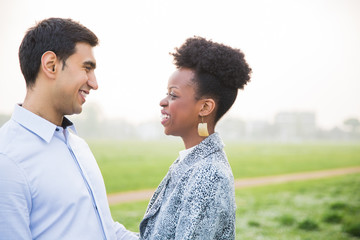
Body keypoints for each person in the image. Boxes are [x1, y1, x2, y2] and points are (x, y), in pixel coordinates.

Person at [0, 18, 138, 240]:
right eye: (87, 68)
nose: (94, 83)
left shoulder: (77, 145)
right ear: (51, 65)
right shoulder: (7, 161)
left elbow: (103, 228)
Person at [139, 37, 252, 239]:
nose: (163, 102)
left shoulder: (208, 175)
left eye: (173, 95)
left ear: (205, 107)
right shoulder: (191, 162)